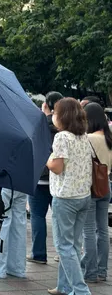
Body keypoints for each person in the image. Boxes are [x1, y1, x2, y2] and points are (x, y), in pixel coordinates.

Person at [47, 98, 92, 295]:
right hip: (83, 195)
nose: (53, 116)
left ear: (63, 116)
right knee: (74, 245)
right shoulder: (83, 136)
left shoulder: (62, 137)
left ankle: (81, 291)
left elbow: (57, 168)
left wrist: (47, 160)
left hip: (65, 197)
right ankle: (64, 287)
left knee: (64, 247)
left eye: (56, 112)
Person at [28, 91, 63, 265]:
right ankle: (61, 253)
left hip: (39, 176)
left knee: (37, 216)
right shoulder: (66, 125)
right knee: (58, 219)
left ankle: (39, 254)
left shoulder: (38, 123)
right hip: (58, 178)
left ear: (46, 105)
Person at [81, 103, 112, 283]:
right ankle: (102, 271)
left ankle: (90, 272)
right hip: (106, 186)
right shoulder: (109, 139)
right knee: (103, 230)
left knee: (89, 231)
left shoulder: (88, 139)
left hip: (91, 187)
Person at [0, 188, 28, 279]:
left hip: (6, 182)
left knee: (3, 222)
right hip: (23, 186)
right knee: (19, 226)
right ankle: (17, 268)